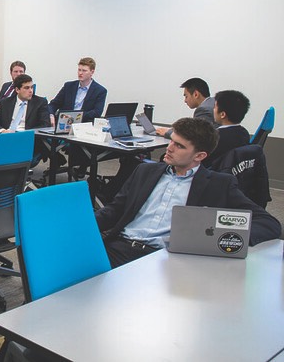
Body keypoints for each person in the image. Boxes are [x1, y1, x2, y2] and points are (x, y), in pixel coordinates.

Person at [95, 117, 281, 268]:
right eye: (171, 141)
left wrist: (225, 238)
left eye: (179, 146)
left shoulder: (219, 184)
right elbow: (114, 210)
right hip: (118, 247)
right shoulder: (144, 171)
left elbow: (269, 223)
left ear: (200, 156)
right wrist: (79, 224)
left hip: (163, 259)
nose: (169, 148)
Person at [47, 57, 106, 124]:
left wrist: (75, 116)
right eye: (79, 70)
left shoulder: (100, 91)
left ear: (92, 72)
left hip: (85, 125)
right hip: (64, 123)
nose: (80, 73)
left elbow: (96, 112)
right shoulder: (68, 86)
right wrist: (51, 115)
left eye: (84, 71)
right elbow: (53, 104)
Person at [203, 89, 251, 168]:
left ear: (222, 114)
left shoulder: (214, 137)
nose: (213, 110)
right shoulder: (244, 133)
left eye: (214, 107)